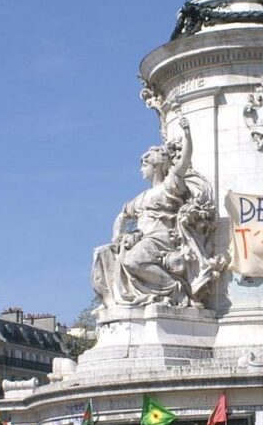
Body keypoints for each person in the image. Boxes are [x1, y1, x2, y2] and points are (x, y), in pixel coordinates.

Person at [92, 117, 219, 308]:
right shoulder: (142, 197)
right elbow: (122, 216)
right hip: (144, 239)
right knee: (102, 254)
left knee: (134, 260)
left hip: (161, 239)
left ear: (157, 166)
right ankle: (115, 302)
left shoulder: (168, 187)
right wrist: (118, 237)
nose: (141, 169)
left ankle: (175, 288)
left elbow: (184, 162)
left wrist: (187, 134)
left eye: (145, 165)